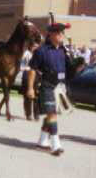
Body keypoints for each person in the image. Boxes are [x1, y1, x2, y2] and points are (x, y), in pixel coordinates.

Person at [27, 22, 72, 156]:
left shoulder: (64, 50)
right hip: (47, 86)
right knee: (51, 114)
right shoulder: (41, 51)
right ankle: (56, 144)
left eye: (62, 32)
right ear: (51, 34)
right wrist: (30, 88)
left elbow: (68, 69)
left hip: (60, 87)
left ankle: (42, 142)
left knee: (52, 114)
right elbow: (32, 70)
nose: (61, 35)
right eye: (58, 33)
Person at [21, 42, 40, 121]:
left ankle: (36, 115)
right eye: (34, 46)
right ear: (31, 47)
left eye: (37, 47)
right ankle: (28, 114)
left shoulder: (39, 55)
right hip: (27, 76)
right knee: (27, 97)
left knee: (37, 97)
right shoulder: (26, 54)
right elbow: (22, 66)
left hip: (37, 77)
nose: (36, 48)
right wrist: (29, 69)